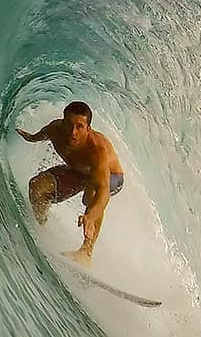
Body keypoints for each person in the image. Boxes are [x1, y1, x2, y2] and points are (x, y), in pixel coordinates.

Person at [16, 102, 124, 264]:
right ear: (62, 121)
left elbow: (103, 191)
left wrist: (90, 216)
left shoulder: (97, 151)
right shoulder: (54, 130)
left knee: (91, 196)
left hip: (112, 177)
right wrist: (30, 138)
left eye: (80, 127)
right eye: (69, 124)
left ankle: (86, 252)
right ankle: (41, 225)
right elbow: (40, 136)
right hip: (80, 172)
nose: (73, 132)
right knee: (37, 186)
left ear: (88, 129)